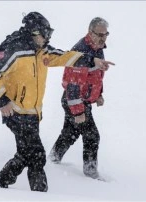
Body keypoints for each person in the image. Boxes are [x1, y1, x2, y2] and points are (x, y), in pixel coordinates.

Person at [0, 12, 114, 192]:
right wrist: (2, 101)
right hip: (16, 112)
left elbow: (64, 56)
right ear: (33, 33)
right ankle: (40, 194)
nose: (48, 38)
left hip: (33, 113)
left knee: (25, 154)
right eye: (45, 34)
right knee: (37, 156)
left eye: (49, 33)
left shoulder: (43, 51)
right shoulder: (14, 50)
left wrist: (93, 60)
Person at [48, 17, 112, 179]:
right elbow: (73, 85)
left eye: (106, 34)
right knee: (92, 136)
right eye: (99, 34)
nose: (103, 38)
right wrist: (78, 112)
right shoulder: (81, 50)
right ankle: (90, 173)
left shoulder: (98, 48)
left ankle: (53, 158)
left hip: (82, 100)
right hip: (74, 100)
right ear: (90, 32)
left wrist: (99, 94)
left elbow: (96, 75)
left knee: (70, 132)